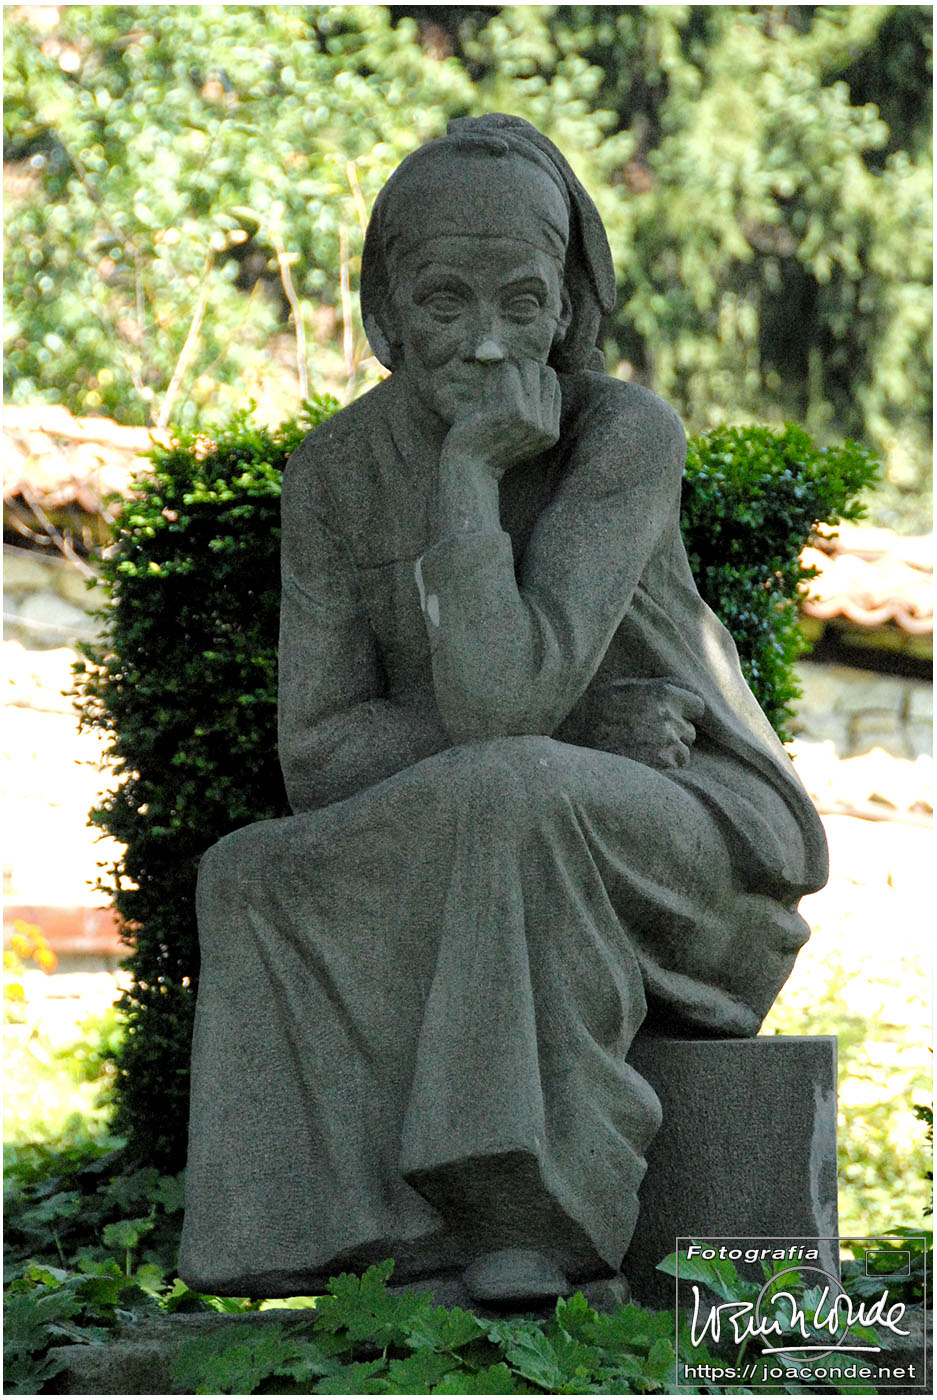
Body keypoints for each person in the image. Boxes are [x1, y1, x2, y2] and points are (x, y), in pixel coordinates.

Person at [178, 115, 827, 1307]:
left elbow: (501, 701)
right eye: (443, 300)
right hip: (511, 800)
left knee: (506, 782)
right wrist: (570, 732)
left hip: (700, 846)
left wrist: (470, 479)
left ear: (568, 307)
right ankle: (330, 1235)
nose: (485, 342)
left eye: (522, 301)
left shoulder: (622, 434)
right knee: (247, 868)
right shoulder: (333, 474)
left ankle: (532, 1214)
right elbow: (318, 755)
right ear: (386, 308)